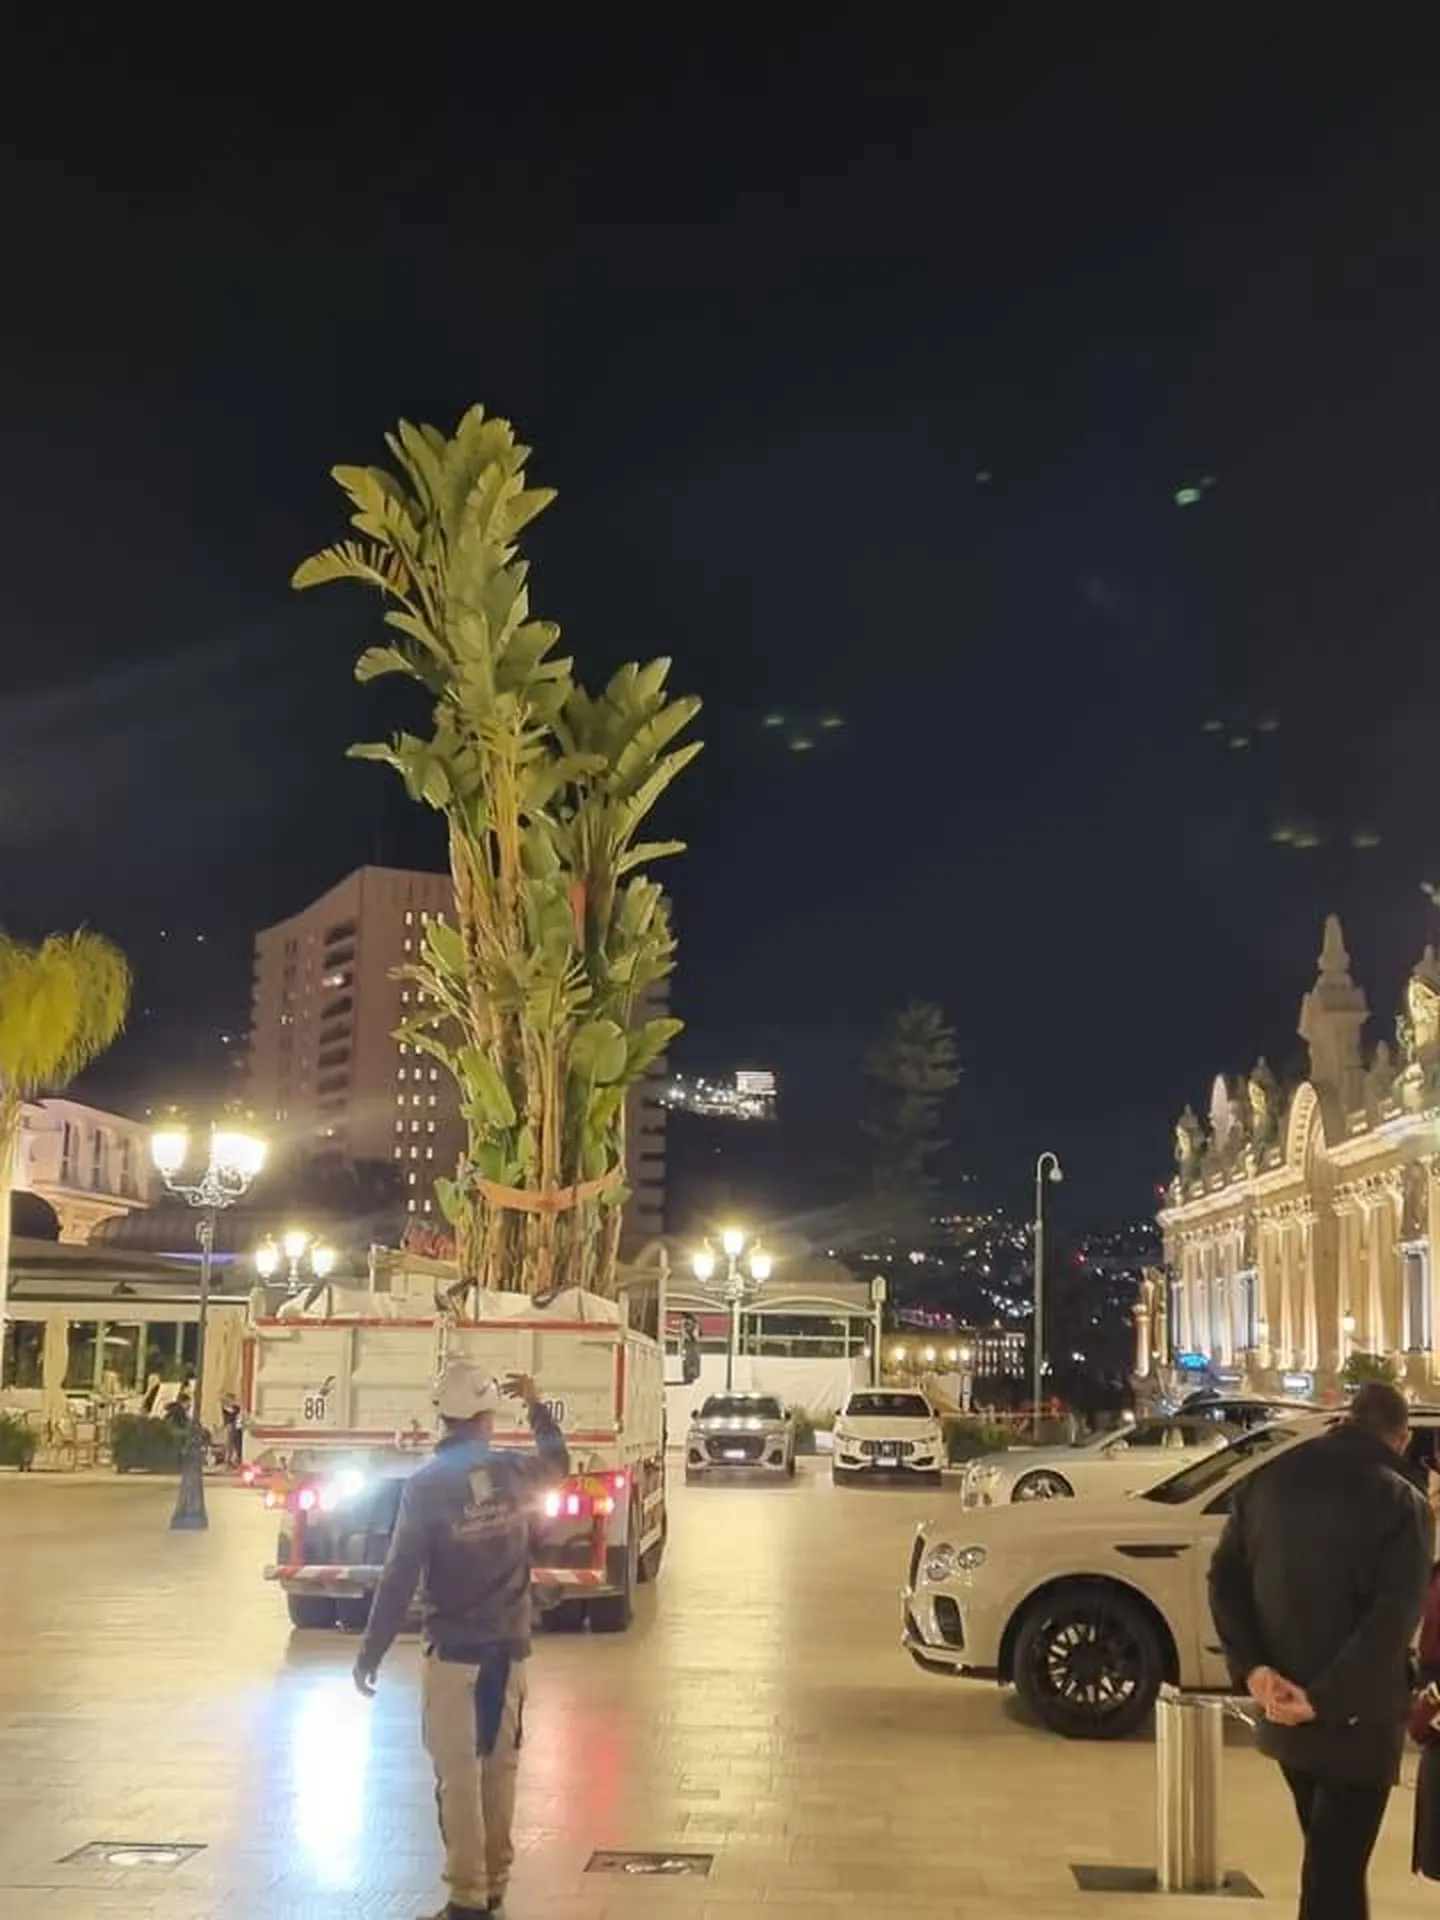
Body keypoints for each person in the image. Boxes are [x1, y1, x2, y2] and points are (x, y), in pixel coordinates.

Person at [1209, 1381, 1433, 1920]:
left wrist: (1255, 1669)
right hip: (1357, 1721)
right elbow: (1393, 1619)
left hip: (1285, 1713)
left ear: (1348, 1420)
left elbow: (1225, 1579)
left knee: (1329, 1859)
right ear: (1400, 1439)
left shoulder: (1270, 1479)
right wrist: (1327, 1699)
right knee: (1335, 1871)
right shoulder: (1403, 1504)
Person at [353, 1363, 568, 1920]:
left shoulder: (426, 1486)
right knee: (499, 1769)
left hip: (453, 1655)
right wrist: (539, 1408)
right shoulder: (513, 1470)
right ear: (486, 1418)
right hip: (509, 1651)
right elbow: (558, 1466)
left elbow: (400, 1573)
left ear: (443, 1416)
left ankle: (467, 1897)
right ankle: (495, 1883)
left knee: (458, 1777)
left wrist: (371, 1652)